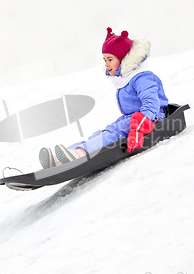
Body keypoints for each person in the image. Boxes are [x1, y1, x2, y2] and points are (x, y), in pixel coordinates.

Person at [39, 27, 169, 168]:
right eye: (104, 59)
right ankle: (66, 155)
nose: (106, 64)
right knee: (103, 133)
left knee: (113, 134)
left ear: (124, 59)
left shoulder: (142, 77)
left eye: (110, 59)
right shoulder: (126, 78)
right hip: (132, 118)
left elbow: (151, 104)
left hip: (150, 118)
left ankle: (80, 154)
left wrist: (139, 128)